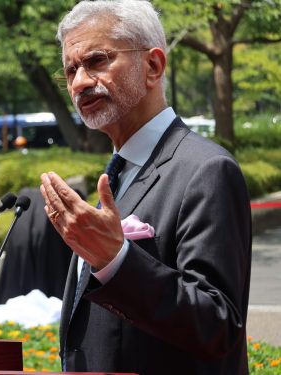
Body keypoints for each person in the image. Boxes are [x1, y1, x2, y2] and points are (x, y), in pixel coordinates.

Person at [41, 1, 251, 373]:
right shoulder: (118, 174)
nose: (79, 82)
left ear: (152, 66)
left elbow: (218, 326)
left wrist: (117, 261)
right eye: (71, 70)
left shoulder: (206, 169)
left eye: (96, 60)